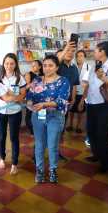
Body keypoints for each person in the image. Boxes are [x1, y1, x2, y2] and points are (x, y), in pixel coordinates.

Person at [27, 55, 70, 183]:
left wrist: (44, 104)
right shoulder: (37, 81)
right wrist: (29, 104)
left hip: (55, 116)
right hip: (38, 115)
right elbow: (30, 96)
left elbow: (61, 101)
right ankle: (39, 170)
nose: (47, 68)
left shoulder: (63, 81)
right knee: (39, 145)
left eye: (50, 65)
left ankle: (52, 170)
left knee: (52, 145)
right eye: (45, 65)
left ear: (57, 67)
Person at [83, 41, 108, 173]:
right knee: (91, 131)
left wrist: (103, 78)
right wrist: (83, 99)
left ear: (103, 52)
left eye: (96, 50)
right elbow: (89, 85)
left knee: (102, 134)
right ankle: (96, 154)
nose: (94, 52)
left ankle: (105, 162)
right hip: (91, 104)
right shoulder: (94, 66)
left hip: (105, 104)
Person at [0, 53, 26, 175]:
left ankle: (14, 163)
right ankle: (2, 158)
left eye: (11, 63)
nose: (9, 66)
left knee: (14, 137)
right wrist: (7, 97)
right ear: (3, 64)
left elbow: (23, 95)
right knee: (1, 136)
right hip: (1, 111)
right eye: (6, 63)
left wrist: (13, 98)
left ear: (15, 64)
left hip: (15, 112)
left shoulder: (20, 78)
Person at [57, 42, 80, 161]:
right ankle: (37, 152)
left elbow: (75, 85)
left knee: (61, 128)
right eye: (68, 51)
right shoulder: (57, 65)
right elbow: (55, 61)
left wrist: (74, 98)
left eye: (72, 51)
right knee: (46, 129)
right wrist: (65, 49)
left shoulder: (74, 68)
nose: (70, 53)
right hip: (52, 102)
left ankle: (57, 151)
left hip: (65, 103)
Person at [66, 50, 91, 133]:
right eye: (77, 56)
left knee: (80, 109)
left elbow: (89, 82)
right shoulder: (72, 66)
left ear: (84, 57)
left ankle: (78, 126)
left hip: (82, 92)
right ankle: (70, 124)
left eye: (81, 56)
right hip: (72, 91)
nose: (79, 58)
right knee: (71, 109)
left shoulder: (88, 67)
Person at [25, 60, 44, 135]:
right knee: (29, 115)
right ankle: (32, 130)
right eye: (32, 65)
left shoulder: (43, 74)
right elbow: (26, 87)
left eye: (35, 65)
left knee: (42, 114)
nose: (33, 67)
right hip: (31, 98)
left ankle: (41, 129)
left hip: (42, 98)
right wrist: (35, 82)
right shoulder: (28, 74)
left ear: (40, 67)